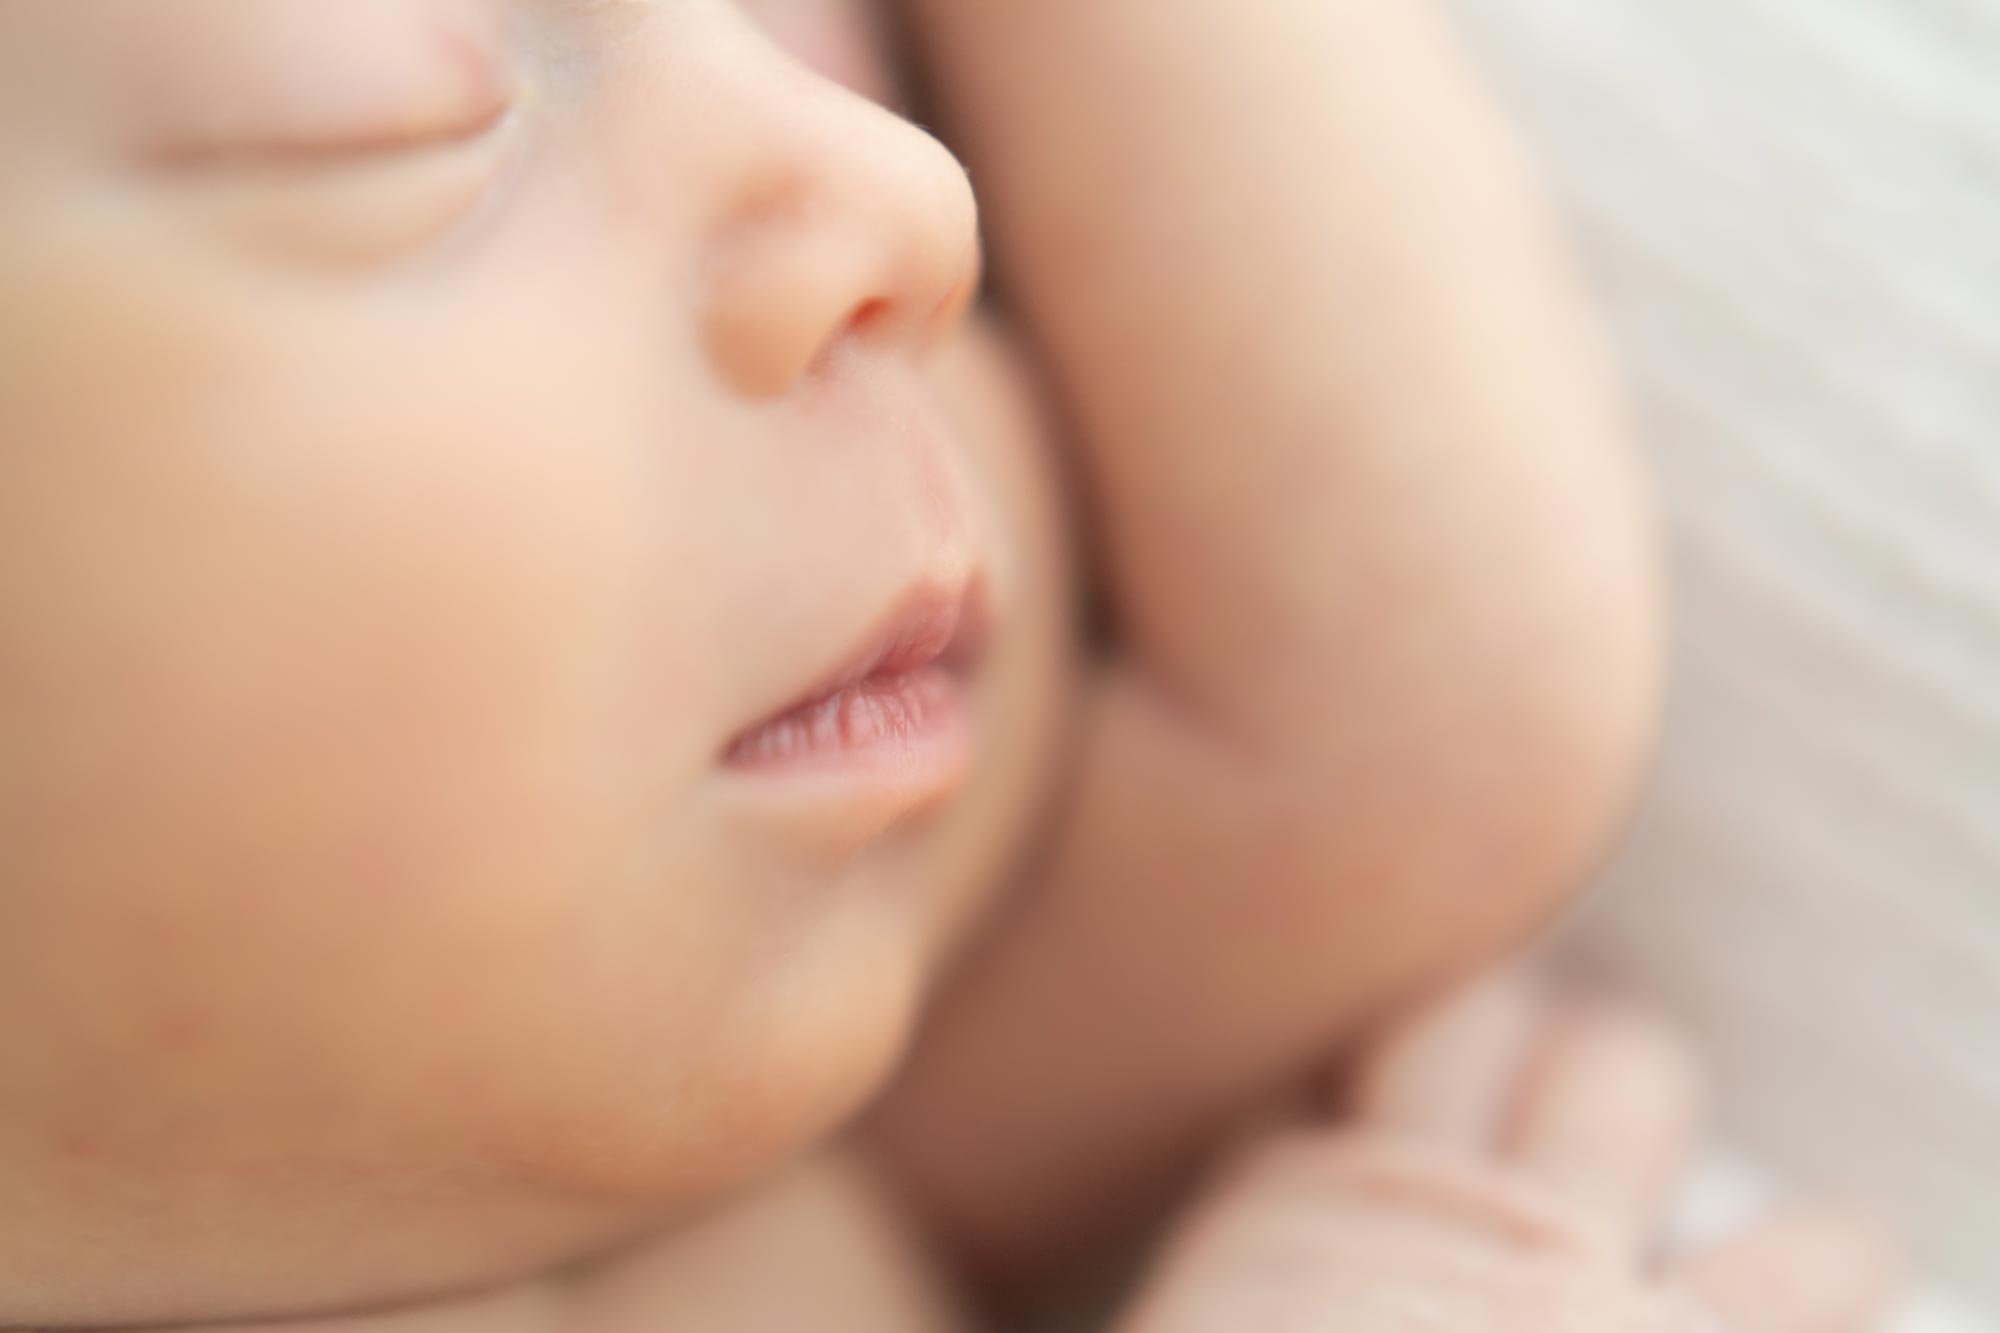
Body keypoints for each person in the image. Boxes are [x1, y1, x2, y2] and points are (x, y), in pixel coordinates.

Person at [0, 0, 1886, 1328]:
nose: (919, 192)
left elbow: (1388, 742)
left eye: (822, 36)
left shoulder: (688, 1215)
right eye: (407, 110)